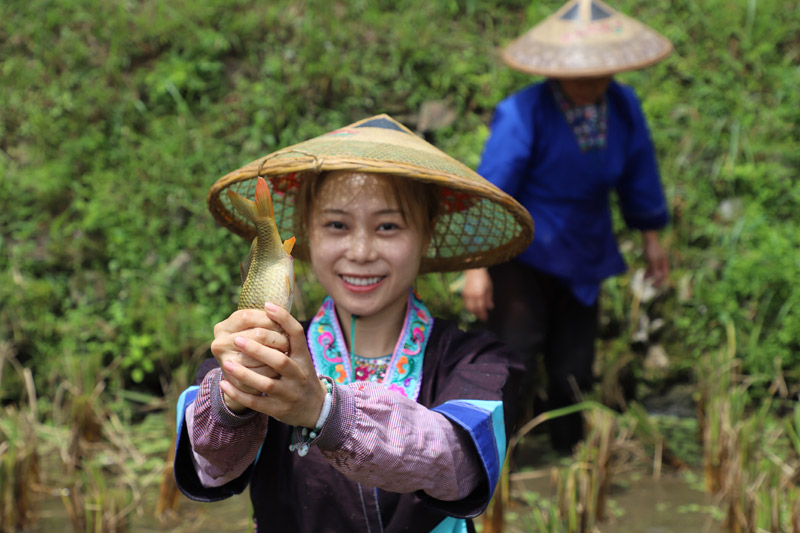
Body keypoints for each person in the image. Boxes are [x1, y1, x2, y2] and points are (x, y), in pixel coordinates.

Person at [173, 114, 534, 532]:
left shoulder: (476, 361)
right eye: (337, 225)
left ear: (427, 232)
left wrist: (324, 411)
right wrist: (234, 397)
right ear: (306, 231)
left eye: (388, 226)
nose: (361, 251)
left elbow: (458, 466)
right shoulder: (253, 351)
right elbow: (210, 470)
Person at [462, 0, 673, 453]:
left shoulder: (622, 105)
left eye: (598, 76)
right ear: (557, 72)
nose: (589, 85)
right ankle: (495, 460)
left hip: (585, 249)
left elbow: (640, 175)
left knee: (574, 365)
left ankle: (569, 455)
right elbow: (493, 189)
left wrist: (651, 240)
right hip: (523, 251)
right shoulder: (523, 112)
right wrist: (477, 266)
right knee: (513, 353)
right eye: (579, 76)